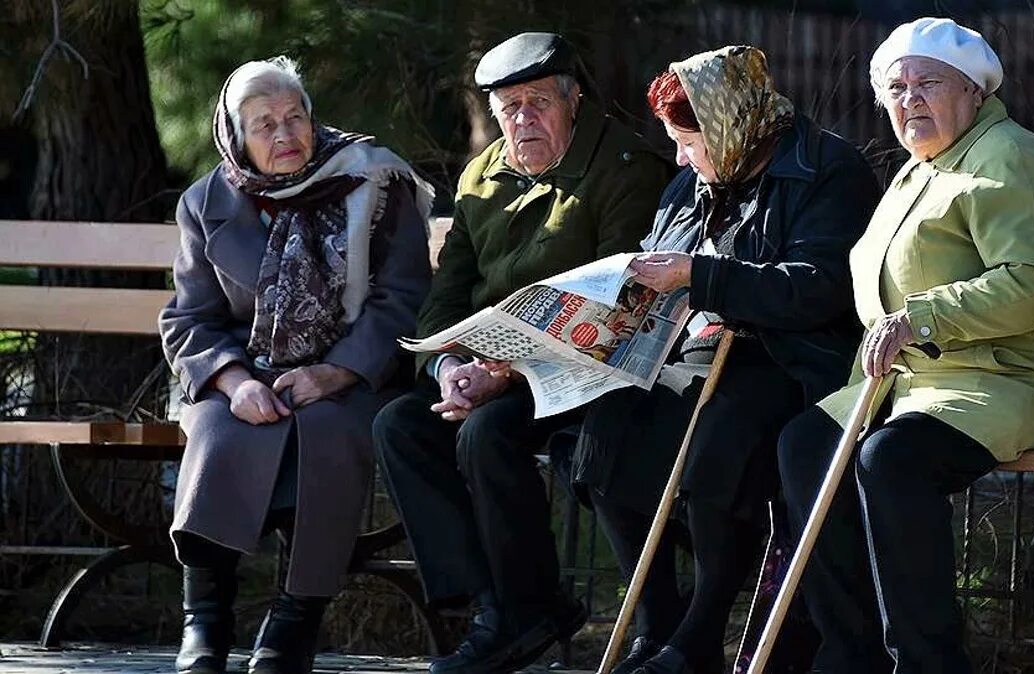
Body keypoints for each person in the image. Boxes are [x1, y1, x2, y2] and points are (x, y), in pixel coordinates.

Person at [776, 18, 1034, 673]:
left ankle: (929, 662)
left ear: (974, 91)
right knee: (806, 445)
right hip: (934, 384)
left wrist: (918, 319)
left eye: (928, 83)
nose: (910, 100)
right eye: (896, 89)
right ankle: (852, 655)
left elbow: (1032, 283)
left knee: (892, 459)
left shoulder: (1008, 158)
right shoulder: (918, 173)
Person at [371, 32, 673, 674]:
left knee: (487, 434)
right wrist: (449, 365)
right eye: (509, 108)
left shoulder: (626, 167)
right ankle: (499, 605)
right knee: (399, 424)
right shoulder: (483, 174)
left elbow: (624, 304)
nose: (522, 120)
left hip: (588, 372)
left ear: (574, 100)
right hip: (489, 369)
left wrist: (506, 373)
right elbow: (446, 293)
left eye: (538, 102)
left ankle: (523, 611)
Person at [572, 46, 879, 674]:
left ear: (729, 124)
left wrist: (702, 278)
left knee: (723, 438)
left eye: (689, 141)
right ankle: (657, 626)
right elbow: (663, 258)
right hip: (696, 357)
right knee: (606, 430)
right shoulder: (693, 181)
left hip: (793, 362)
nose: (681, 159)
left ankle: (699, 635)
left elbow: (816, 286)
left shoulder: (828, 170)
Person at [160, 56, 433, 674]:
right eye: (264, 125)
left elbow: (403, 299)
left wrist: (336, 371)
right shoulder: (206, 201)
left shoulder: (373, 181)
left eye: (295, 117)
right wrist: (230, 383)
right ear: (235, 135)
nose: (285, 136)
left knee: (329, 433)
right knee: (216, 433)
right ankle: (205, 621)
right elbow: (190, 318)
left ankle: (294, 619)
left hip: (352, 373)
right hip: (244, 373)